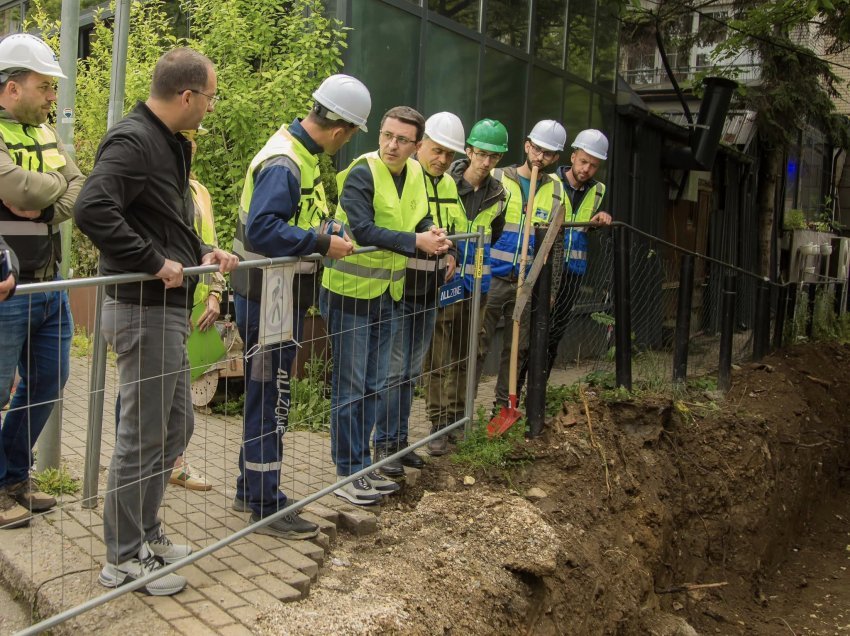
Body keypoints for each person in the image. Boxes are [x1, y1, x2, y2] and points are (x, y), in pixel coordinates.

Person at [74, 47, 238, 597]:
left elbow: (163, 224)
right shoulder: (134, 139)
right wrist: (151, 261)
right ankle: (121, 559)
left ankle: (146, 533)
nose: (211, 109)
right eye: (210, 98)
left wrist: (204, 251)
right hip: (142, 309)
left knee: (175, 427)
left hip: (165, 311)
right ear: (187, 95)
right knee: (142, 436)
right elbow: (92, 209)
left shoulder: (167, 144)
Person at [229, 74, 369, 538]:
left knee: (267, 400)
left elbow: (298, 217)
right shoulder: (286, 162)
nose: (346, 142)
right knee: (271, 401)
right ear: (341, 128)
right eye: (350, 134)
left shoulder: (301, 156)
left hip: (277, 296)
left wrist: (327, 229)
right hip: (268, 300)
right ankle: (266, 503)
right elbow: (264, 231)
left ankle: (251, 489)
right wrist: (321, 242)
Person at [321, 106, 450, 506]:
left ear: (417, 146)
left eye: (402, 139)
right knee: (351, 388)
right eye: (387, 135)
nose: (392, 145)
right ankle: (347, 473)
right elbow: (363, 229)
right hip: (348, 293)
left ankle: (363, 466)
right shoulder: (363, 171)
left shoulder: (413, 174)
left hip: (386, 295)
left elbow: (418, 214)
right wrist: (416, 242)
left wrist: (431, 230)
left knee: (376, 385)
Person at [0, 34, 83, 530]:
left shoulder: (46, 133)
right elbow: (15, 187)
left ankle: (11, 477)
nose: (53, 97)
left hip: (49, 285)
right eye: (44, 87)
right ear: (11, 89)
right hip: (6, 289)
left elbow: (80, 189)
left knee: (49, 382)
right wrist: (52, 194)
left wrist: (44, 201)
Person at [375, 112, 467, 475]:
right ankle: (384, 445)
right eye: (436, 150)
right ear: (420, 145)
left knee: (412, 371)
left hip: (430, 291)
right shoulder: (406, 177)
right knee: (394, 370)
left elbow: (457, 228)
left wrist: (454, 253)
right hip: (400, 287)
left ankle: (399, 441)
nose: (442, 159)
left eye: (448, 154)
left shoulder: (447, 185)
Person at [424, 118, 508, 455]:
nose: (487, 162)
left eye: (495, 157)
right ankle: (437, 422)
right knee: (438, 356)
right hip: (447, 282)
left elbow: (496, 234)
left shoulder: (499, 195)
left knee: (466, 354)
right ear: (470, 150)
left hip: (479, 285)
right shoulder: (445, 185)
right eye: (482, 154)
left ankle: (457, 420)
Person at [477, 120, 565, 413]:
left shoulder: (555, 190)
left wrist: (550, 288)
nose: (541, 157)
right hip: (492, 279)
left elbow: (557, 244)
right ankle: (462, 412)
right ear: (527, 146)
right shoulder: (498, 177)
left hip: (528, 283)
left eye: (549, 154)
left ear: (556, 158)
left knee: (517, 349)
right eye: (537, 149)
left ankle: (503, 408)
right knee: (478, 344)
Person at [545, 129, 611, 377]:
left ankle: (540, 387)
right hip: (547, 267)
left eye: (593, 166)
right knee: (538, 329)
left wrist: (598, 221)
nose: (586, 169)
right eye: (583, 161)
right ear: (573, 156)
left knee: (557, 332)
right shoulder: (550, 182)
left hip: (573, 272)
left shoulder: (598, 191)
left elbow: (583, 227)